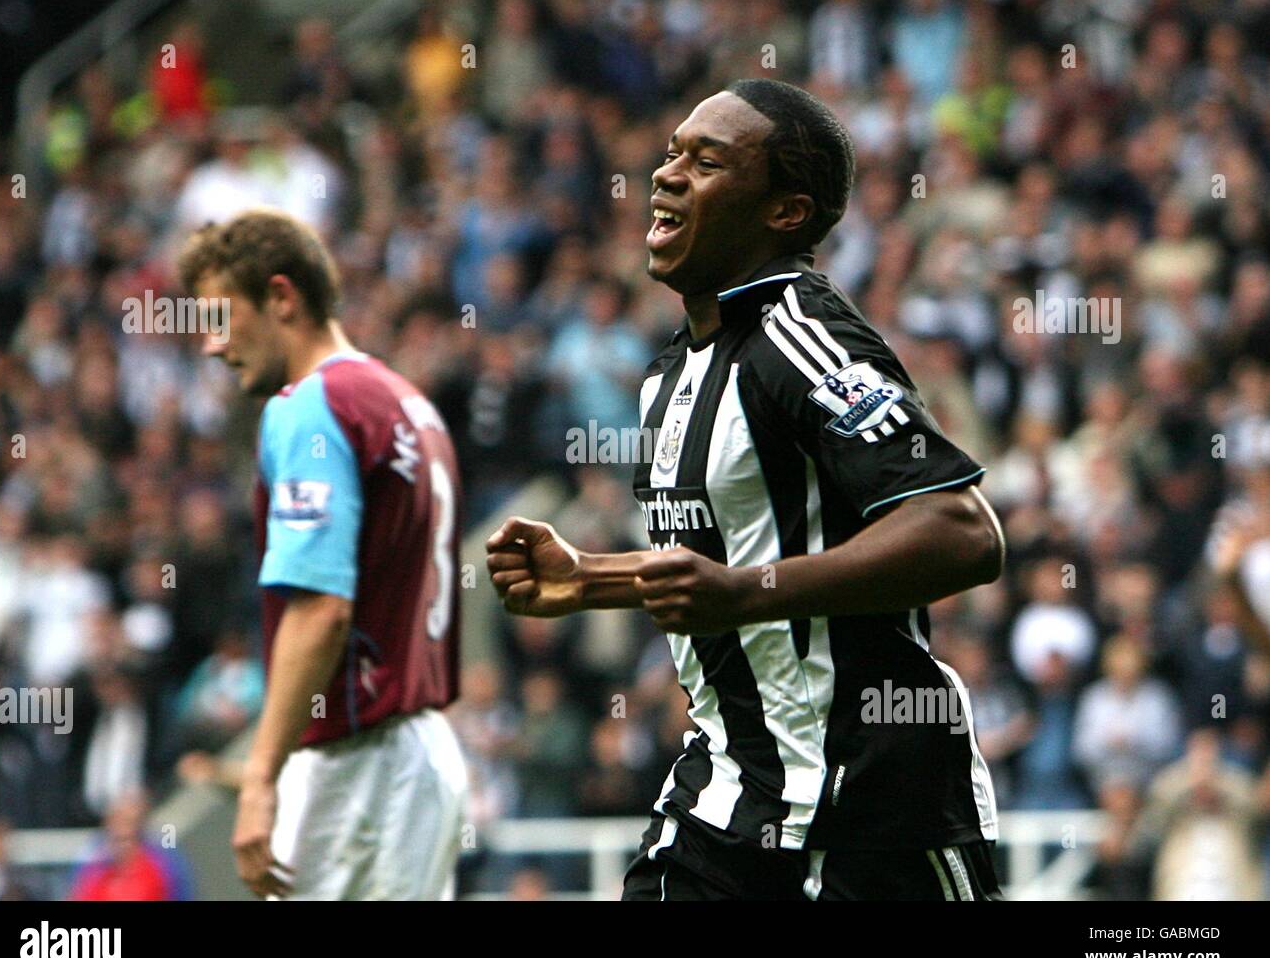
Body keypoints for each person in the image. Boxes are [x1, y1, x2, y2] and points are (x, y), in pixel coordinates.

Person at [487, 79, 1005, 900]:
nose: (667, 174)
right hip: (727, 801)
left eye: (708, 160)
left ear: (784, 212)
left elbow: (961, 529)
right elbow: (730, 569)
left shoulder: (801, 335)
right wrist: (590, 578)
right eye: (671, 153)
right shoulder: (667, 376)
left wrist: (745, 589)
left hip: (872, 812)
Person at [178, 208, 467, 899]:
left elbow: (322, 611)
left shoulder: (309, 407)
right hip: (417, 756)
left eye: (222, 318)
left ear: (281, 297)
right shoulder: (404, 400)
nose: (213, 346)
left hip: (358, 767)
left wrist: (257, 781)